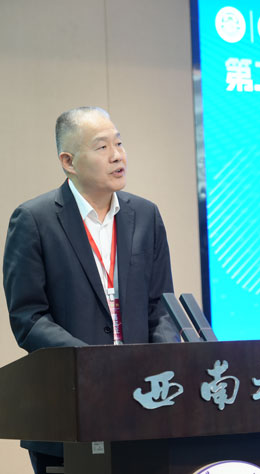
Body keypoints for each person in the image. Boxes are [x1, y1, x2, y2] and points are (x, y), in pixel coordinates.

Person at [3, 106, 179, 473]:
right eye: (102, 147)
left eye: (119, 143)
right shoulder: (34, 220)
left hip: (142, 406)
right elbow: (29, 319)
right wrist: (93, 364)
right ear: (68, 161)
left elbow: (161, 306)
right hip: (66, 412)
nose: (117, 155)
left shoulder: (145, 215)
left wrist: (158, 362)